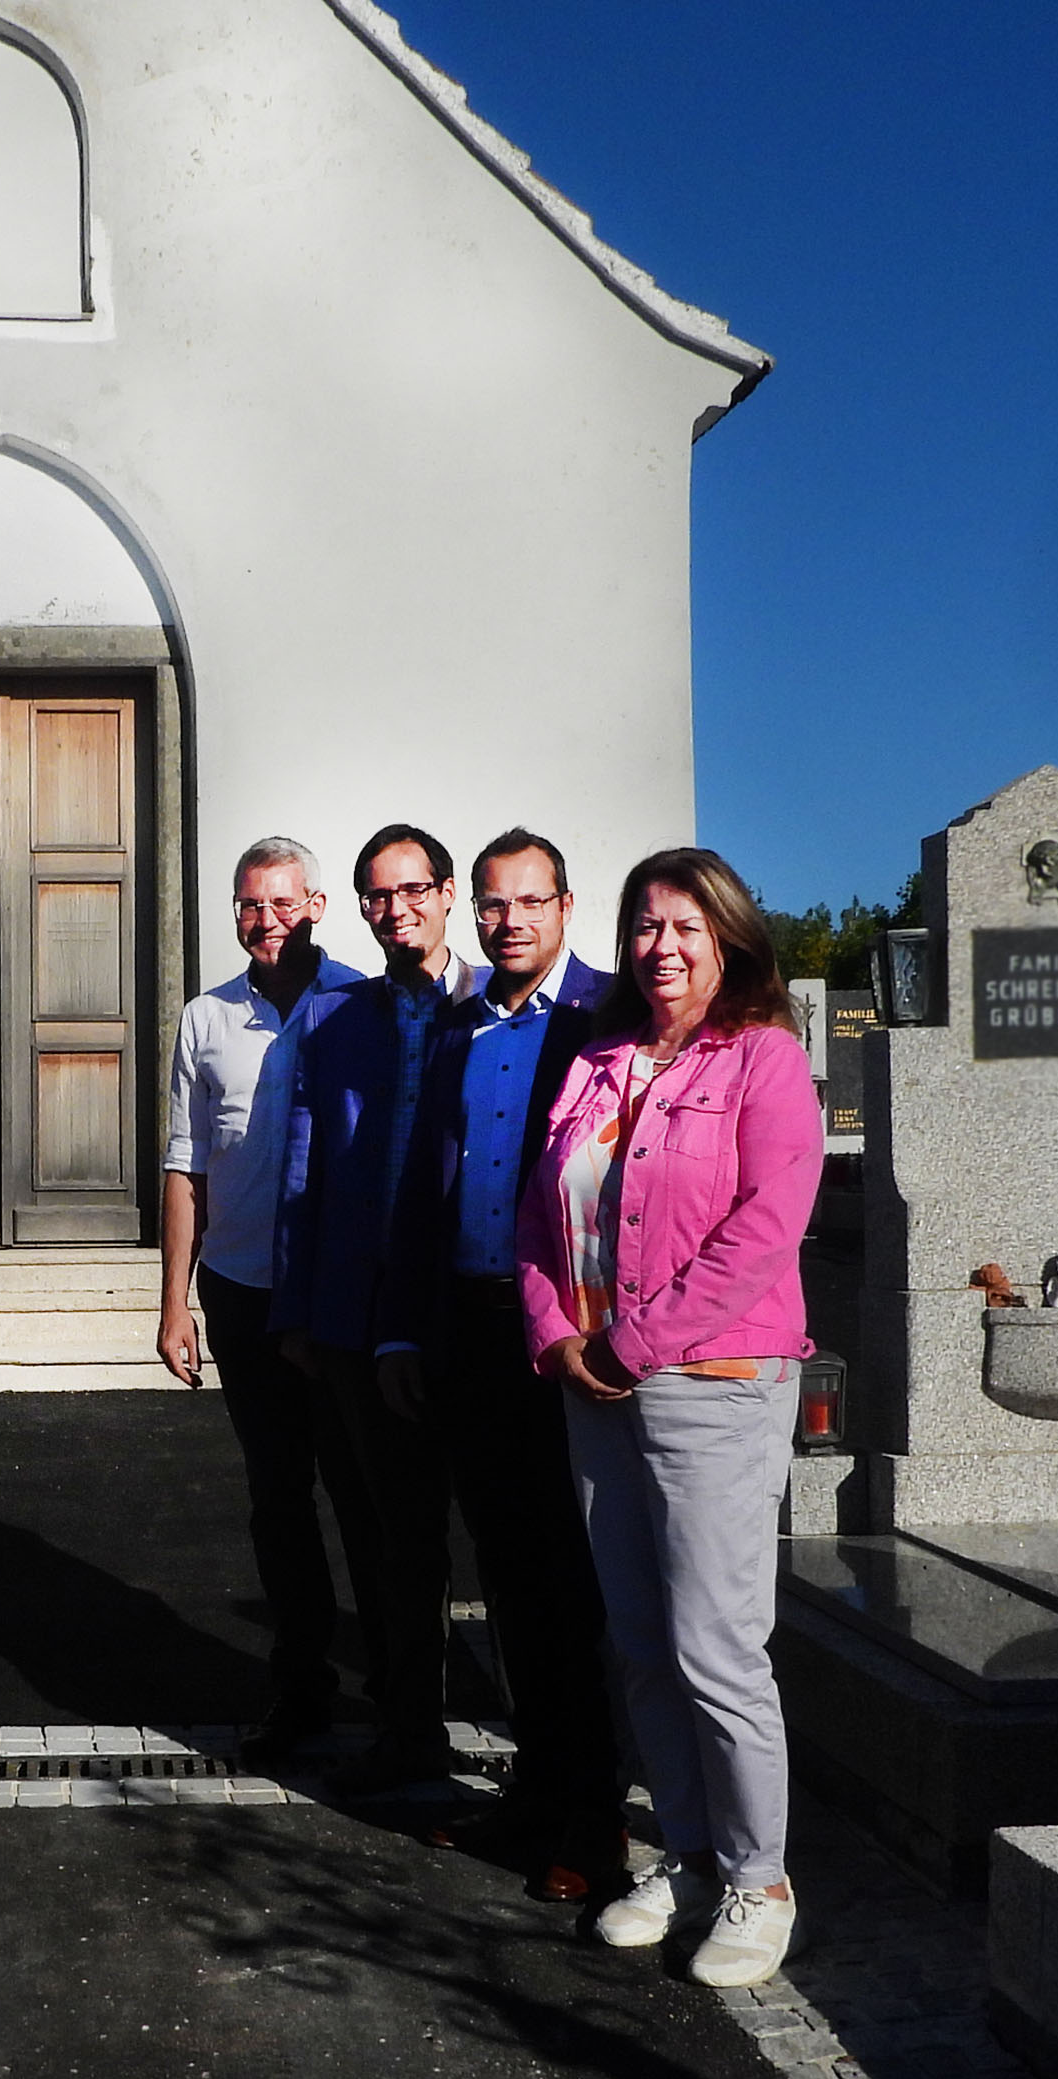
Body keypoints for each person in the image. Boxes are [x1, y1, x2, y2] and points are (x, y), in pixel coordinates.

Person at [524, 846, 822, 1989]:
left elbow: (763, 1228)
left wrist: (630, 1343)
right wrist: (554, 1329)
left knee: (715, 1646)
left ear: (730, 937)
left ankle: (762, 1878)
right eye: (645, 926)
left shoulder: (766, 1060)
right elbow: (541, 1213)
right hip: (593, 1383)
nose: (661, 946)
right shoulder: (599, 1058)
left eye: (686, 927)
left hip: (714, 1381)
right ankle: (691, 1857)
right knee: (640, 1640)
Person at [372, 828, 625, 1898]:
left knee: (574, 1585)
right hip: (470, 1328)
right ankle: (532, 1793)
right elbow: (418, 1187)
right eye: (490, 903)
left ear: (566, 906)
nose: (507, 919)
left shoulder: (608, 1017)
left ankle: (591, 1821)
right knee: (511, 1578)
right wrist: (400, 1326)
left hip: (568, 1335)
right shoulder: (459, 1030)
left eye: (528, 900)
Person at [155, 836, 381, 1767]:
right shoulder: (204, 1020)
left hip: (338, 1300)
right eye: (249, 906)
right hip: (243, 1290)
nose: (264, 921)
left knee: (367, 1498)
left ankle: (407, 1694)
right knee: (277, 1501)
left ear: (318, 906)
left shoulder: (361, 1008)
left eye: (281, 903)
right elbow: (185, 1166)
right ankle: (301, 1690)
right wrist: (175, 1302)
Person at [271, 823, 481, 1792]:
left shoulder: (497, 1005)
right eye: (375, 896)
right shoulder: (334, 1021)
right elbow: (304, 1175)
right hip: (356, 1316)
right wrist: (297, 1311)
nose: (396, 910)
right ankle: (411, 1728)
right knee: (387, 1536)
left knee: (511, 1533)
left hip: (475, 1305)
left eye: (412, 890)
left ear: (446, 892)